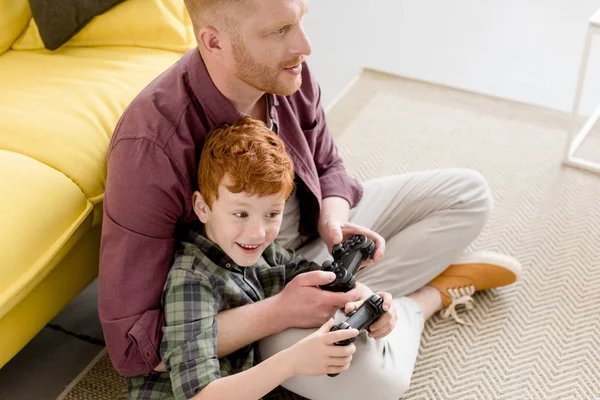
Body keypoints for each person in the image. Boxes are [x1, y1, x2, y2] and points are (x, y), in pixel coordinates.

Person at [98, 0, 521, 398]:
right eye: (281, 29)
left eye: (301, 18)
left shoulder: (286, 71)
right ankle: (425, 300)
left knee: (469, 195)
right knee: (374, 384)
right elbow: (134, 346)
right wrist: (282, 311)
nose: (305, 45)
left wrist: (333, 223)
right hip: (249, 289)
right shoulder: (149, 146)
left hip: (304, 251)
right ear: (214, 42)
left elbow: (330, 166)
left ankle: (364, 299)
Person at [129, 116, 400, 399]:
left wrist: (370, 302)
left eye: (272, 214)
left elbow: (322, 282)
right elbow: (201, 395)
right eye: (241, 214)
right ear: (202, 207)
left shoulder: (263, 251)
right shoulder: (191, 280)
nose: (257, 233)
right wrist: (294, 361)